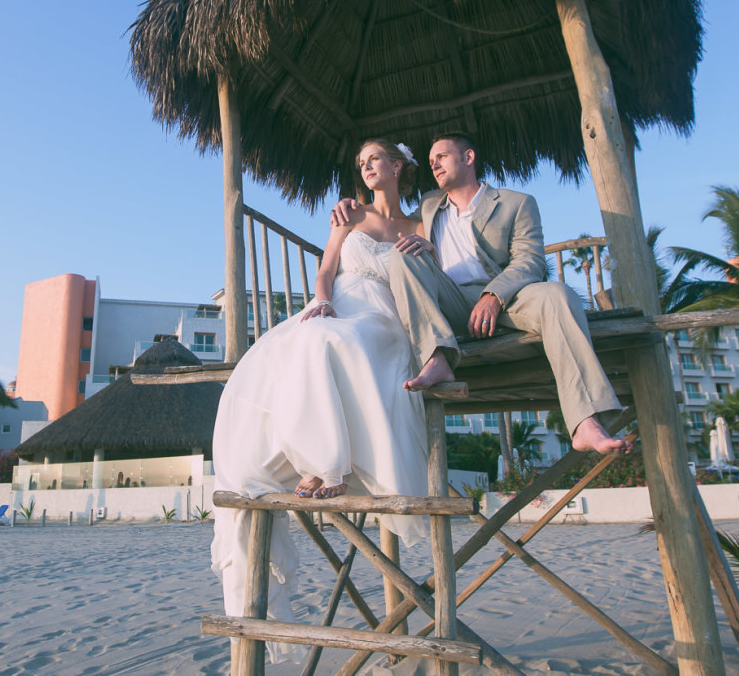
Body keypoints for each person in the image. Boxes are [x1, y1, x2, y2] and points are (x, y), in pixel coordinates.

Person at [210, 137, 431, 649]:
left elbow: (433, 276)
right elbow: (327, 269)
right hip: (343, 300)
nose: (367, 167)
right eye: (361, 163)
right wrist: (324, 300)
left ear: (397, 167)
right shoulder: (348, 215)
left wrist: (428, 250)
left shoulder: (422, 225)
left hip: (385, 315)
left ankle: (328, 464)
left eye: (375, 159)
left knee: (335, 344)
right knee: (307, 338)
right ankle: (319, 460)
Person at [332, 131, 629, 455]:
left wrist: (494, 296)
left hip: (509, 299)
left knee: (557, 293)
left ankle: (586, 421)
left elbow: (529, 261)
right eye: (430, 162)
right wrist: (350, 204)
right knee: (403, 253)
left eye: (441, 157)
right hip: (451, 301)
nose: (434, 166)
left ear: (468, 158)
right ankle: (437, 356)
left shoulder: (517, 203)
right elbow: (386, 213)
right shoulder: (429, 206)